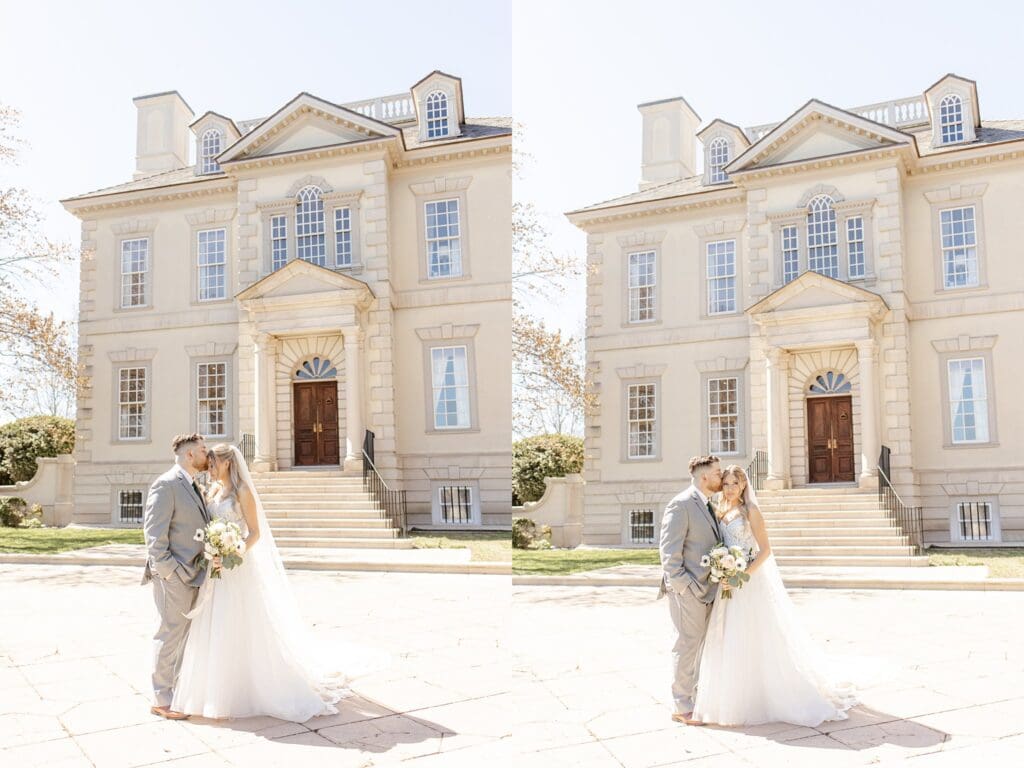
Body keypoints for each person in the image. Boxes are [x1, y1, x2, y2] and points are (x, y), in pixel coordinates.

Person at [692, 465, 857, 726]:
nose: (730, 488)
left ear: (744, 485)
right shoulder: (719, 510)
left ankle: (765, 696)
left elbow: (765, 550)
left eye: (735, 483)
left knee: (754, 637)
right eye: (726, 484)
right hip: (727, 584)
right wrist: (722, 570)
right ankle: (729, 700)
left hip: (747, 582)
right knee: (730, 638)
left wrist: (740, 576)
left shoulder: (751, 512)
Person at [141, 433, 210, 720]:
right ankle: (162, 698)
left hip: (193, 573)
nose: (208, 454)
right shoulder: (166, 484)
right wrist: (169, 573)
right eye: (204, 450)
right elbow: (154, 535)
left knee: (182, 636)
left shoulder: (194, 485)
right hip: (174, 576)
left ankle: (177, 692)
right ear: (190, 455)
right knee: (169, 634)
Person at [658, 455, 723, 725]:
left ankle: (693, 698)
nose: (721, 477)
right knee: (686, 645)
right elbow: (668, 552)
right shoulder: (681, 504)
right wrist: (685, 588)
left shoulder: (709, 505)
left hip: (707, 590)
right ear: (704, 477)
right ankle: (681, 705)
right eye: (718, 473)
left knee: (698, 647)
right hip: (689, 592)